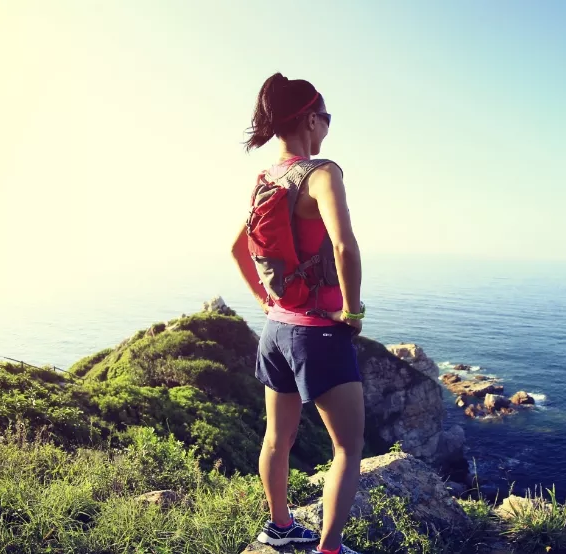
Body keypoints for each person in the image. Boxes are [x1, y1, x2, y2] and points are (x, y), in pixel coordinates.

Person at [231, 72, 366, 554]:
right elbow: (343, 246)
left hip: (276, 331)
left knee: (277, 437)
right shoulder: (322, 173)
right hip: (318, 336)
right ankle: (329, 550)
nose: (328, 125)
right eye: (326, 116)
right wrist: (353, 311)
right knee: (348, 448)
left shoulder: (266, 179)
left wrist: (267, 302)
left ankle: (280, 527)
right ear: (311, 119)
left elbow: (237, 248)